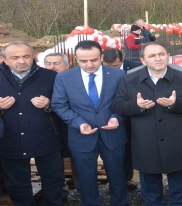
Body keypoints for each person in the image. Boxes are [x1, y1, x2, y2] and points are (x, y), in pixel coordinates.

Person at [113, 42, 182, 206]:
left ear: (168, 56)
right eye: (152, 55)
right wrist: (136, 106)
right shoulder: (129, 80)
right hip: (145, 141)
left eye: (161, 54)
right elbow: (117, 106)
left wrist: (175, 104)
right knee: (151, 188)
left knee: (179, 187)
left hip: (176, 139)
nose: (158, 58)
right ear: (143, 60)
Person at [52, 40, 128, 206]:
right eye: (83, 61)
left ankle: (120, 203)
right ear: (75, 59)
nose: (89, 64)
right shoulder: (64, 78)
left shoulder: (118, 75)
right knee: (86, 179)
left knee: (117, 176)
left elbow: (124, 102)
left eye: (93, 60)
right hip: (81, 136)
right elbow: (59, 105)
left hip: (113, 134)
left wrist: (117, 117)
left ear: (101, 57)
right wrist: (78, 123)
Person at [0, 41, 65, 206]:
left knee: (53, 179)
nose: (21, 61)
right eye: (15, 57)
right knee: (17, 183)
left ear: (33, 57)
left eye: (26, 56)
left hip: (46, 137)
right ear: (4, 60)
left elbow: (66, 104)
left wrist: (48, 105)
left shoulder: (50, 76)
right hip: (10, 139)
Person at [102, 48, 141, 190]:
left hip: (132, 113)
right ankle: (117, 180)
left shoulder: (136, 68)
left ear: (122, 59)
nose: (112, 69)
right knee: (113, 150)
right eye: (108, 66)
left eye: (115, 66)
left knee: (130, 148)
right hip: (110, 115)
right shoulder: (99, 71)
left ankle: (127, 177)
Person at [44, 52, 80, 200]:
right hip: (51, 127)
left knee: (78, 158)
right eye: (48, 63)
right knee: (54, 161)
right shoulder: (41, 81)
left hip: (74, 124)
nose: (52, 67)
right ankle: (60, 192)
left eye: (56, 63)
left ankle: (82, 188)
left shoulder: (75, 79)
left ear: (67, 65)